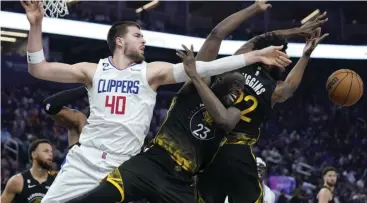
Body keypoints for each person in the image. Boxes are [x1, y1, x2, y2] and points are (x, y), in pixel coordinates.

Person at [21, 1, 291, 202]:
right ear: (119, 41)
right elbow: (39, 69)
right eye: (137, 35)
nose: (144, 40)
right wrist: (35, 25)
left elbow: (203, 68)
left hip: (125, 163)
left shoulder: (151, 72)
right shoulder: (91, 70)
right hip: (86, 160)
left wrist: (254, 57)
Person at [196, 13, 329, 203]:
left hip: (209, 148)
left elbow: (258, 40)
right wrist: (306, 54)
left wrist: (294, 32)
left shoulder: (236, 61)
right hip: (237, 153)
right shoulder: (273, 89)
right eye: (284, 55)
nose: (286, 60)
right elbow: (290, 87)